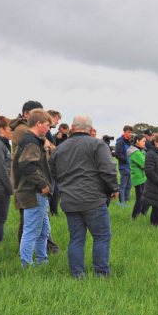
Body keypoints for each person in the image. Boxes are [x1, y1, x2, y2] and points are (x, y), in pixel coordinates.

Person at [49, 115, 119, 278]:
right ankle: (101, 273)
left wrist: (66, 185)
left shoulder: (60, 148)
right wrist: (114, 188)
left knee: (76, 239)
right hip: (93, 199)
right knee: (101, 237)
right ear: (90, 128)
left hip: (69, 200)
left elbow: (53, 171)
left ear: (73, 128)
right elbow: (108, 169)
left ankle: (77, 274)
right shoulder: (98, 144)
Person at [13, 110, 54, 267]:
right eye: (47, 125)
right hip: (33, 192)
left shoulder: (33, 140)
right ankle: (26, 265)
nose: (49, 129)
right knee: (31, 231)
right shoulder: (30, 141)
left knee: (44, 231)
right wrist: (43, 185)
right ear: (38, 124)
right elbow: (27, 165)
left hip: (34, 191)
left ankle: (42, 261)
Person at [141, 133, 158, 227]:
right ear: (155, 142)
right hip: (155, 187)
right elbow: (149, 172)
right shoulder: (151, 154)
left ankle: (157, 229)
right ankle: (155, 229)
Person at [128, 135, 147, 219]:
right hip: (139, 178)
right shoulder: (135, 152)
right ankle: (134, 217)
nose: (144, 143)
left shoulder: (140, 150)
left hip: (142, 177)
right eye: (143, 141)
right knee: (140, 199)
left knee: (143, 198)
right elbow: (145, 164)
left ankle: (141, 215)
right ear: (137, 141)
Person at [114, 125, 133, 205]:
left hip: (130, 167)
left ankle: (127, 202)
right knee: (123, 186)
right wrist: (125, 160)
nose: (130, 134)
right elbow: (117, 154)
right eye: (128, 132)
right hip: (124, 167)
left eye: (131, 132)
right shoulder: (120, 141)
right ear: (124, 132)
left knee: (129, 186)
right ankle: (122, 203)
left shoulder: (129, 141)